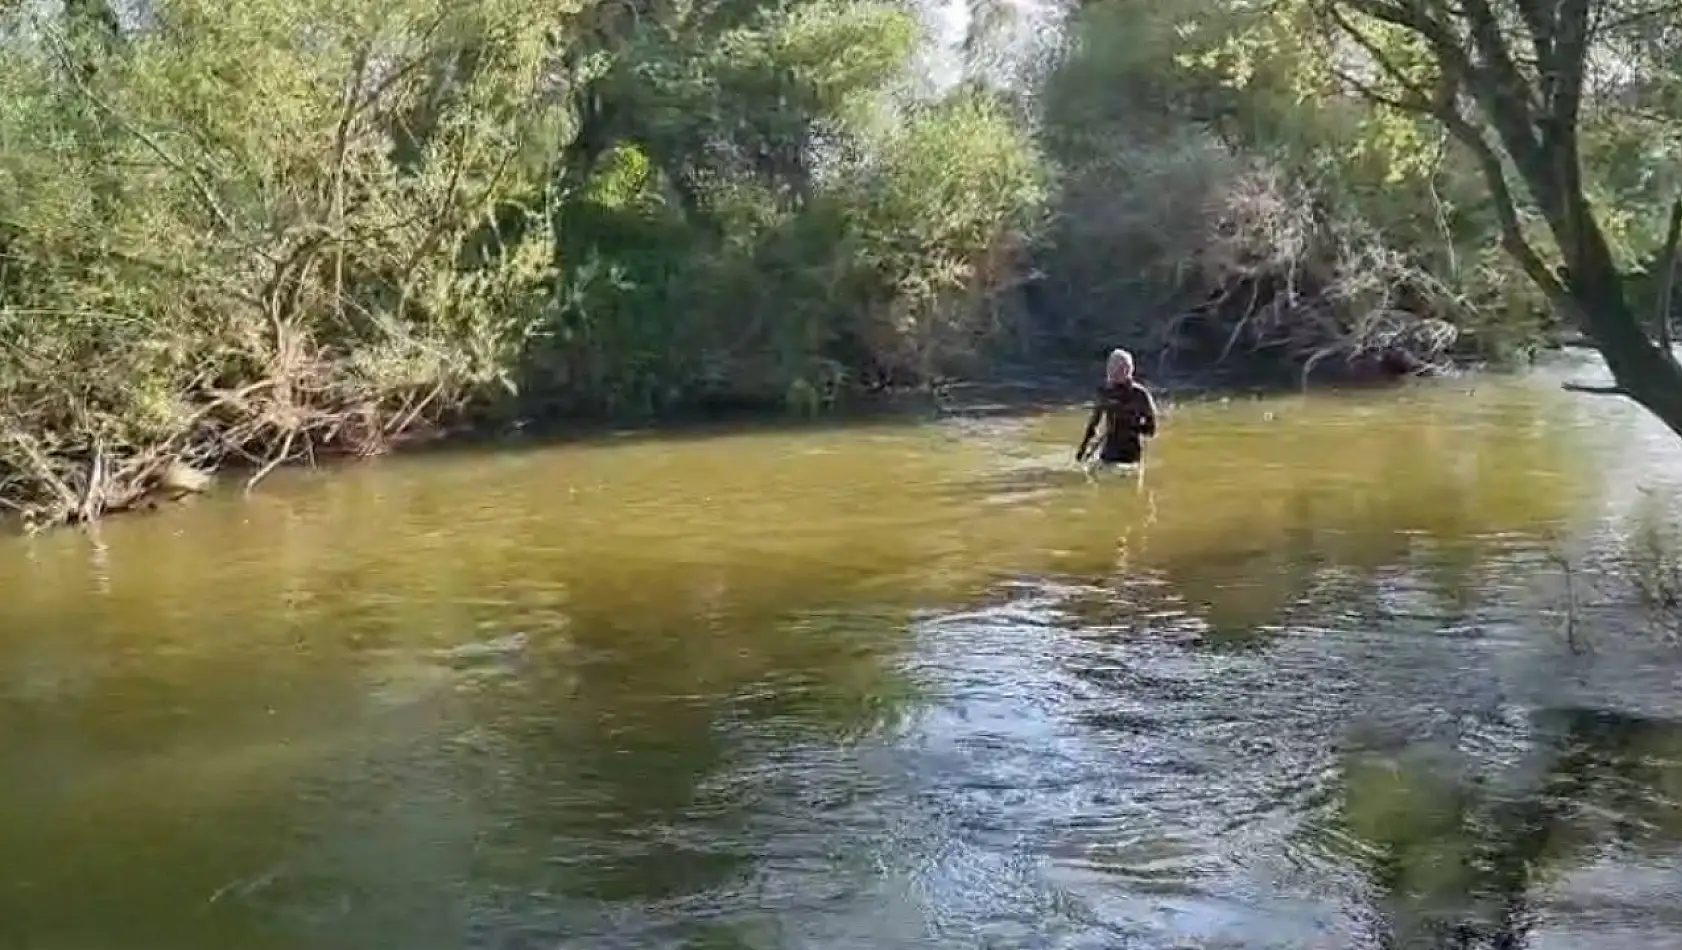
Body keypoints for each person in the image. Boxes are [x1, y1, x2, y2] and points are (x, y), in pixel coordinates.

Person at [1075, 348, 1159, 469]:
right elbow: (1094, 423)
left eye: (1118, 369)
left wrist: (1132, 427)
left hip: (1131, 453)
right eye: (1111, 368)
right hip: (1109, 451)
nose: (1112, 373)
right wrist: (1082, 449)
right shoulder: (1105, 392)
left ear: (1128, 370)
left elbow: (1152, 429)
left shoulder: (1140, 395)